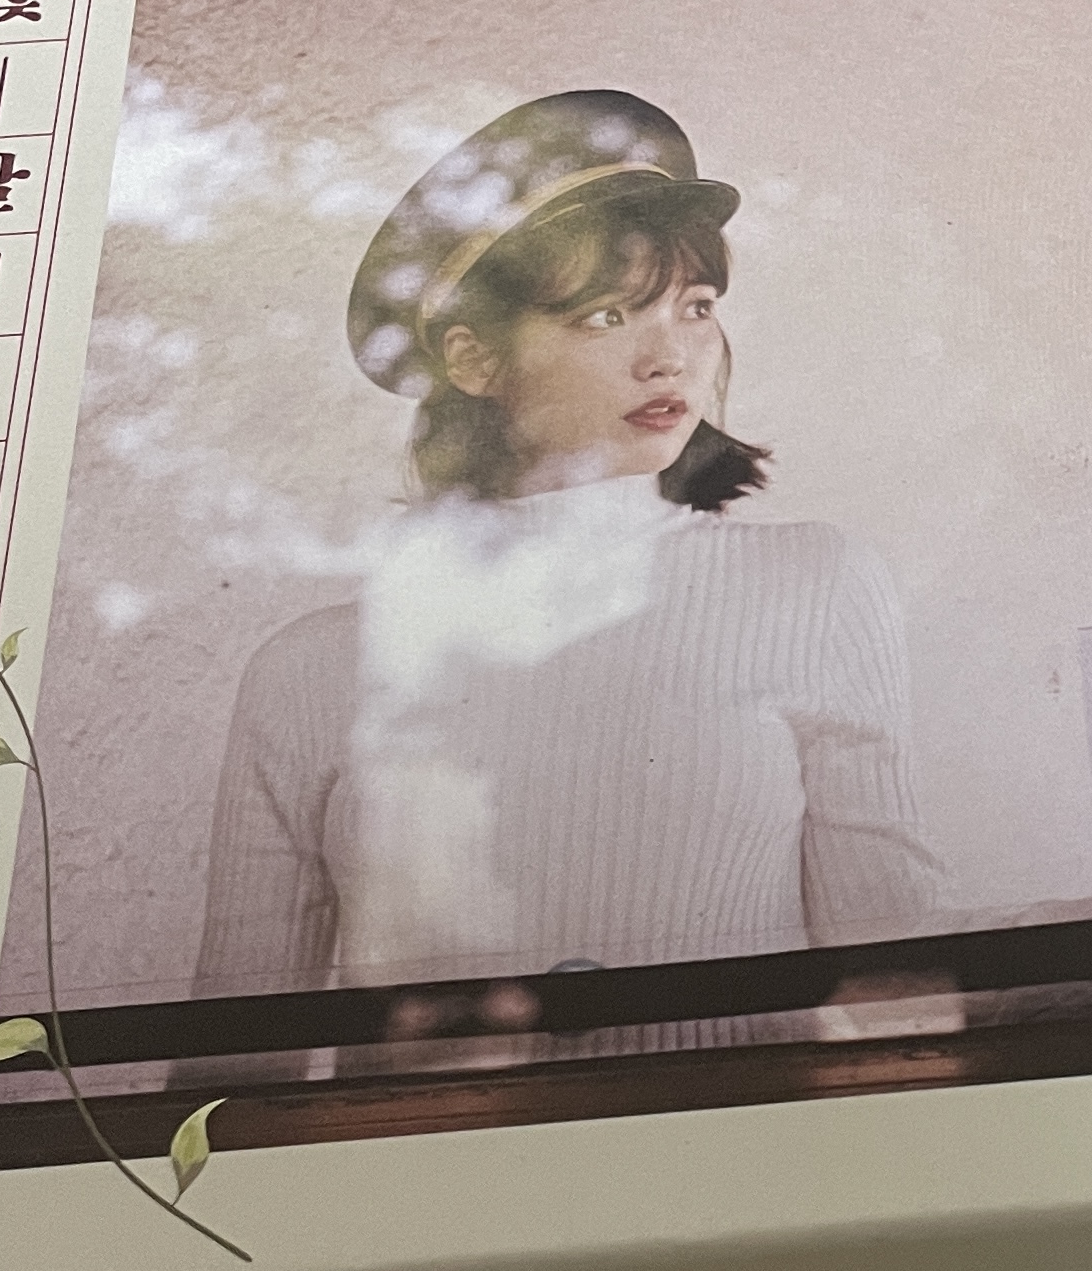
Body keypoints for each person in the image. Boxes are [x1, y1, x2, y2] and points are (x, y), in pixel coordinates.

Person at [197, 88, 943, 997]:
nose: (669, 358)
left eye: (695, 306)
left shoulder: (815, 584)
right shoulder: (306, 672)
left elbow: (897, 984)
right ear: (474, 359)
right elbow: (237, 1054)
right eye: (606, 316)